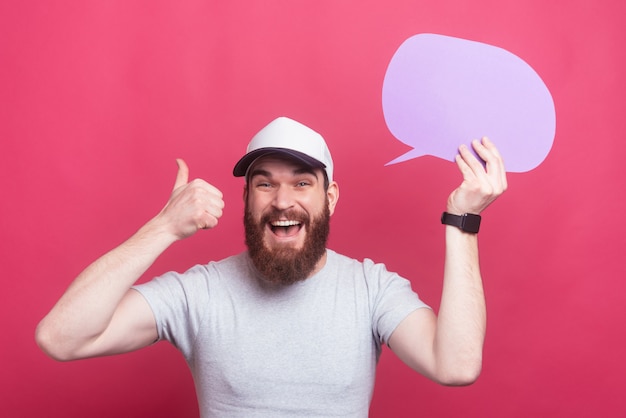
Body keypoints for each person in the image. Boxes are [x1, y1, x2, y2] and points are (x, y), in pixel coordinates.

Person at [36, 116, 507, 417]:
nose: (283, 201)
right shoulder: (199, 292)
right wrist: (162, 229)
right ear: (246, 198)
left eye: (302, 183)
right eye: (265, 184)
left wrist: (462, 221)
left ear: (330, 197)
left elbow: (457, 365)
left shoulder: (371, 289)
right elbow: (61, 338)